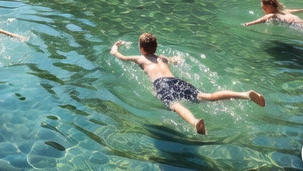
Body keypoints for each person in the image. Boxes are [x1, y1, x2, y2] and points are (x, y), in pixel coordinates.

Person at [110, 33, 264, 135]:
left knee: (176, 105)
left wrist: (115, 48)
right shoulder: (162, 58)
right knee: (208, 96)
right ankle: (244, 95)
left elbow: (119, 56)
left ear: (141, 49)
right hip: (176, 80)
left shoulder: (140, 59)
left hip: (161, 84)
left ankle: (195, 122)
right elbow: (177, 60)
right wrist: (177, 59)